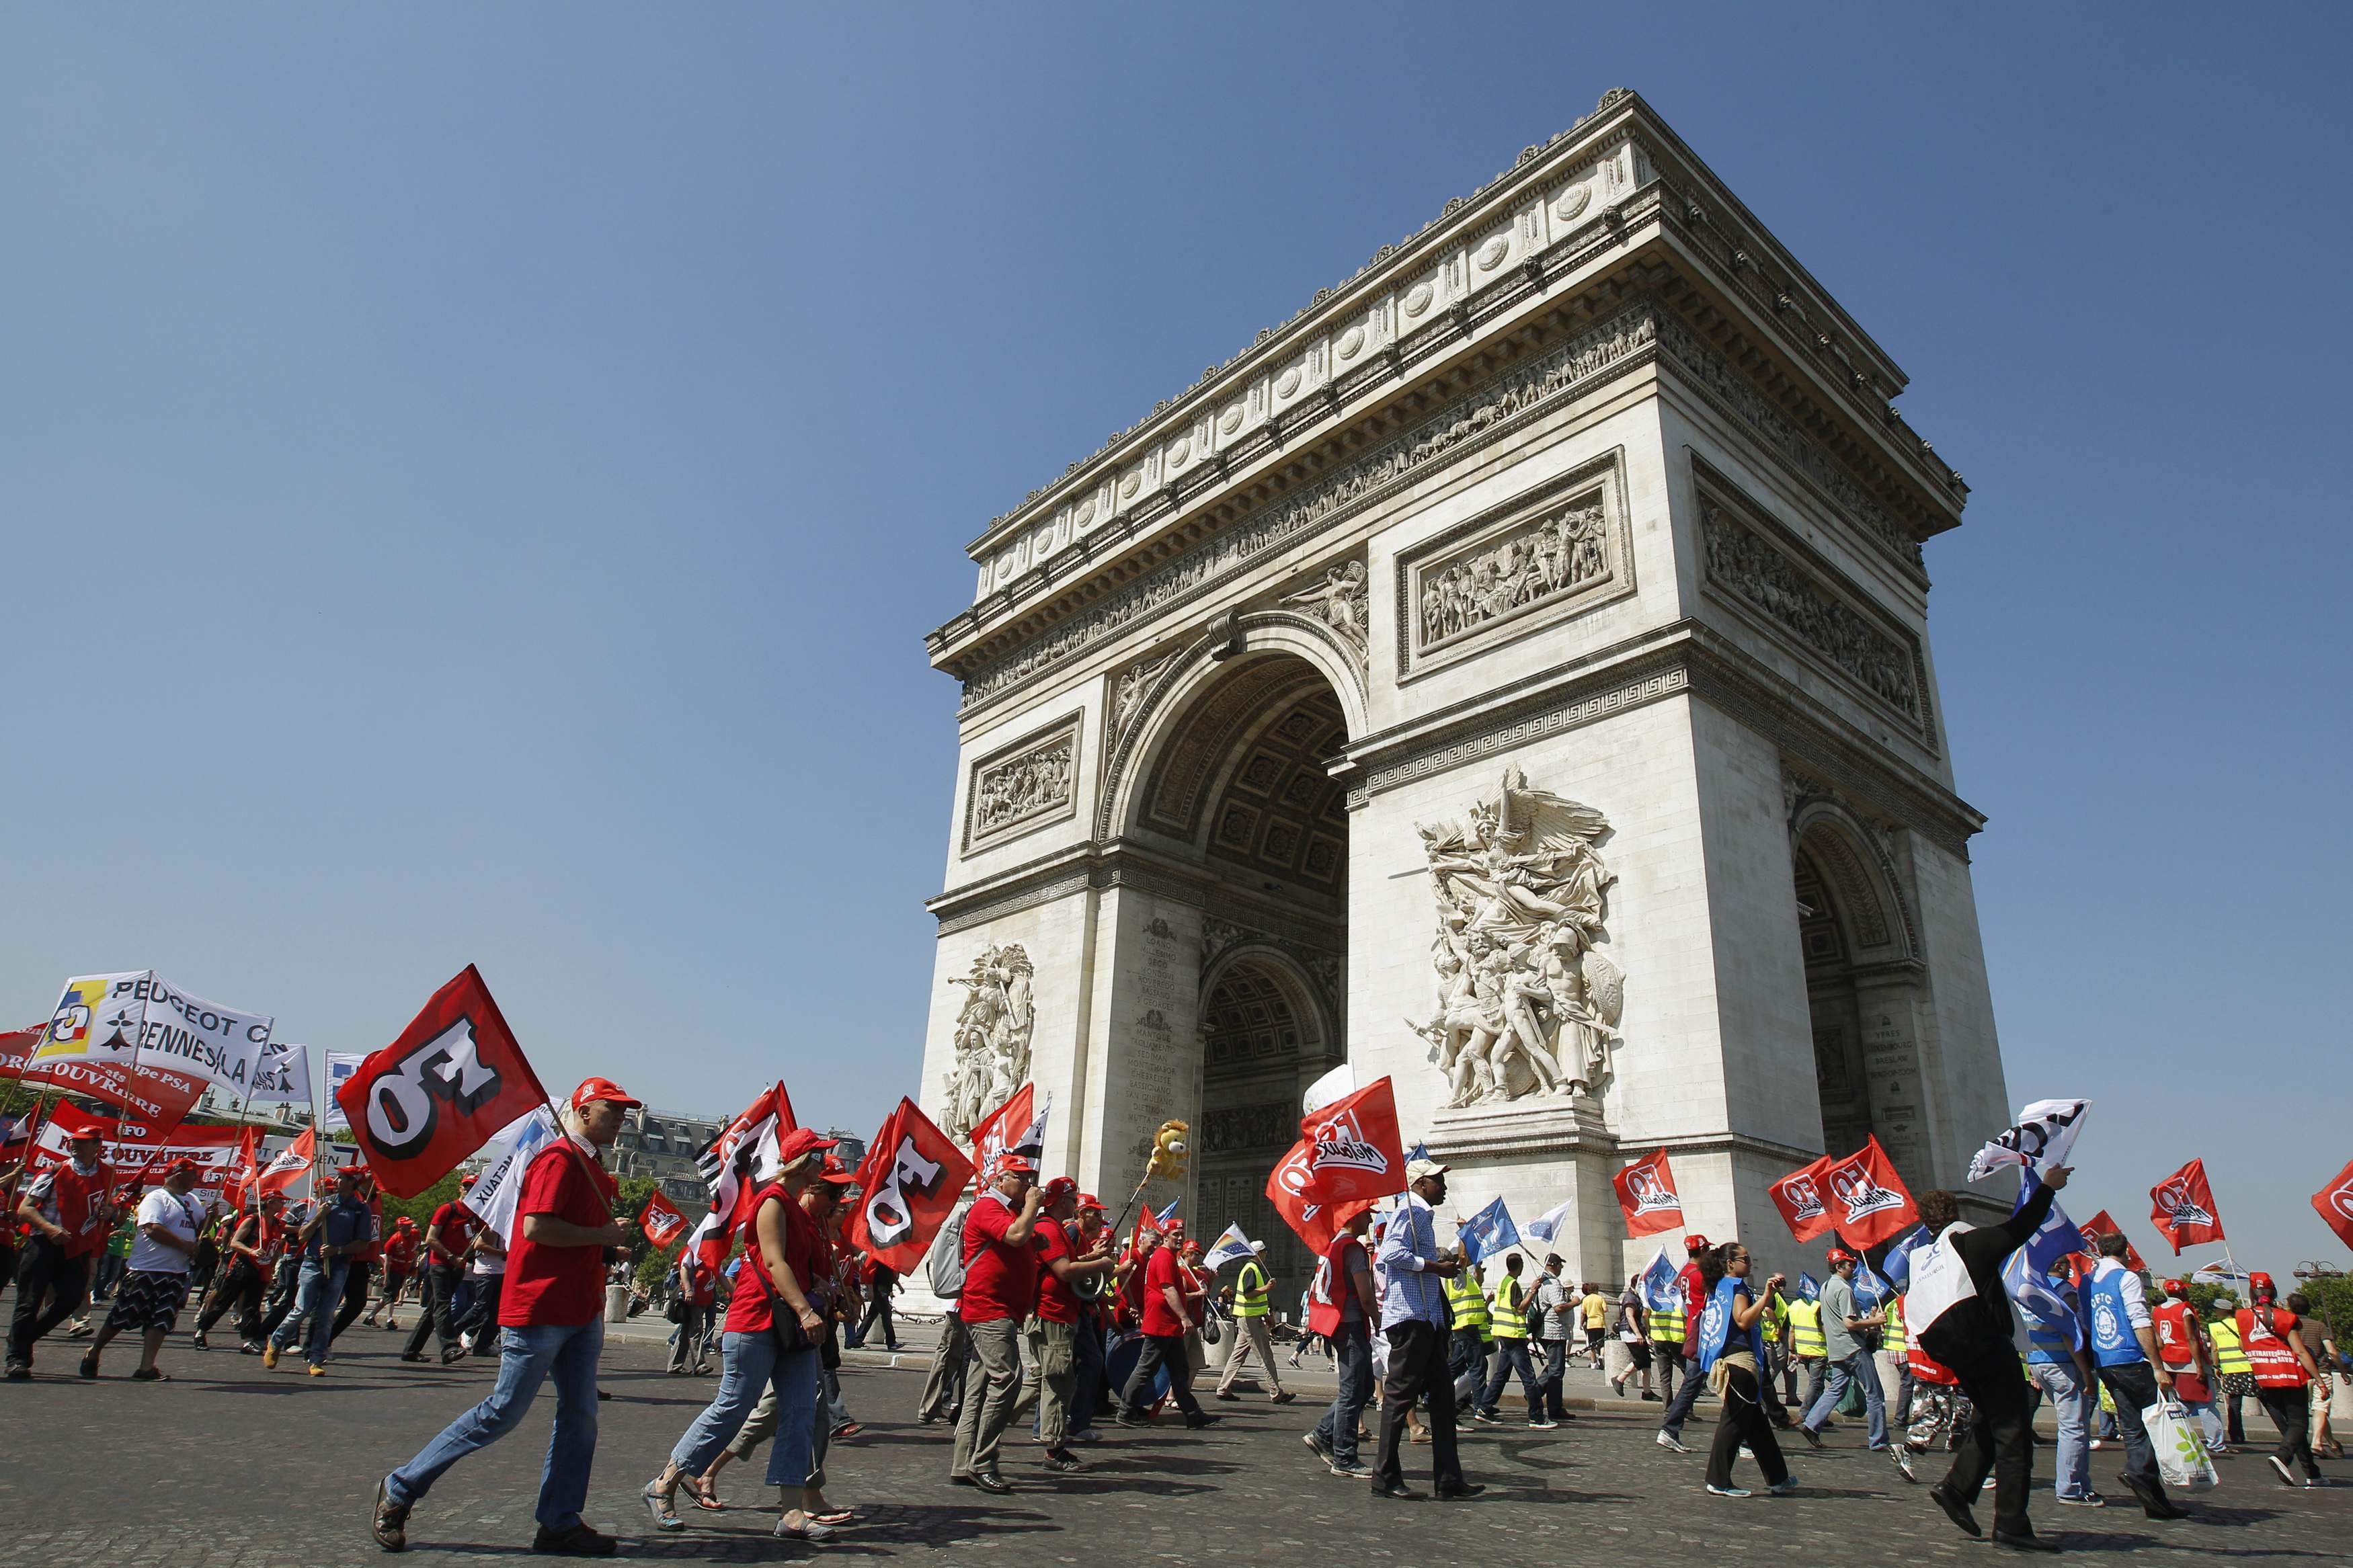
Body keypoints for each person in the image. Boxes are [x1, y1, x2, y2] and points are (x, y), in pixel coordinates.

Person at [372, 1077, 643, 1557]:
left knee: (581, 1417)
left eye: (624, 1110)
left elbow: (573, 1232)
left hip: (580, 1310)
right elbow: (535, 1227)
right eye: (612, 1108)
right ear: (582, 1111)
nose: (622, 1117)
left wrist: (603, 1238)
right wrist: (600, 1233)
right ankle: (401, 1487)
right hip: (540, 1309)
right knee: (501, 1412)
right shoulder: (559, 1158)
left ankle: (559, 1521)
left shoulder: (596, 1169)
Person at [1909, 1165, 2073, 1552]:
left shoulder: (1924, 1259)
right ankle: (2011, 1523)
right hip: (1986, 1342)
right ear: (1956, 1215)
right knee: (2014, 1431)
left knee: (1989, 1418)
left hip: (1953, 1350)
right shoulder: (1969, 1242)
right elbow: (2020, 1228)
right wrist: (2048, 1188)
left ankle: (1957, 1489)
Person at [1371, 1157, 1482, 1501]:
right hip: (1410, 1319)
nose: (1444, 1186)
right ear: (1420, 1184)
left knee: (1444, 1400)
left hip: (1429, 1321)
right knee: (1399, 1398)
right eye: (1438, 1180)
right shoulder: (1412, 1211)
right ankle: (1384, 1476)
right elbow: (1389, 1253)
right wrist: (1434, 1266)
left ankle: (1448, 1479)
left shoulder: (1421, 1215)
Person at [957, 1153, 1047, 1490]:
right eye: (1021, 1178)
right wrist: (1033, 1208)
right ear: (1000, 1180)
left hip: (1003, 1309)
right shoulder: (987, 1207)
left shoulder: (1007, 1209)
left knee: (978, 1390)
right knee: (1008, 1379)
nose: (1028, 1184)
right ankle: (982, 1462)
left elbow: (1017, 1241)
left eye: (1029, 1178)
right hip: (988, 1309)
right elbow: (1013, 1236)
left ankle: (963, 1461)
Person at [2079, 1231, 2184, 1520]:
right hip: (2130, 1358)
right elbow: (2139, 1320)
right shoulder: (2126, 1278)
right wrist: (2159, 1366)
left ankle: (2156, 1503)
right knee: (2156, 1420)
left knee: (2132, 1427)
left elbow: (2087, 1321)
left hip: (2104, 1360)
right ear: (2125, 1252)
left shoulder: (2087, 1282)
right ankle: (2138, 1472)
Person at [7, 1122, 118, 1379]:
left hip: (78, 1247)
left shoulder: (108, 1174)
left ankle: (23, 1338)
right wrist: (50, 1229)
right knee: (29, 1302)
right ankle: (17, 1358)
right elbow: (26, 1209)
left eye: (82, 1141)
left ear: (97, 1146)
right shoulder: (54, 1172)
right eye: (73, 1141)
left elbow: (109, 1207)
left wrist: (109, 1211)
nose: (75, 1145)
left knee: (70, 1299)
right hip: (44, 1244)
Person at [79, 1158, 206, 1381]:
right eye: (193, 1174)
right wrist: (184, 1245)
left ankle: (146, 1367)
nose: (197, 1178)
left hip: (176, 1271)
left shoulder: (194, 1201)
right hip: (147, 1268)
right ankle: (94, 1351)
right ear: (178, 1175)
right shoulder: (156, 1199)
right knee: (122, 1316)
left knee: (162, 1319)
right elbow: (151, 1228)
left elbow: (198, 1229)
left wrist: (204, 1233)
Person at [1694, 1242, 1795, 1497]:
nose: (1750, 1264)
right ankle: (1718, 1480)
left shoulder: (1718, 1287)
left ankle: (1778, 1478)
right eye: (1746, 1259)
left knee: (1757, 1426)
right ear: (1730, 1263)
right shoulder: (1737, 1286)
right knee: (1733, 1423)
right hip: (1740, 1363)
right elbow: (1742, 1320)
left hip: (1731, 1359)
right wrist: (1765, 1297)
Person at [1031, 1176, 1115, 1468]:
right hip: (1053, 1314)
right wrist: (1101, 1264)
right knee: (1057, 1382)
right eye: (1070, 1199)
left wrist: (1092, 1257)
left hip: (1062, 1312)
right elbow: (1064, 1270)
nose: (1074, 1203)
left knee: (1037, 1383)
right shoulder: (1051, 1229)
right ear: (1060, 1202)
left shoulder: (1057, 1229)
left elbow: (1071, 1262)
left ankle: (983, 1424)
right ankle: (1054, 1450)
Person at [264, 1165, 374, 1376]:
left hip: (340, 1265)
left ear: (352, 1182)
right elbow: (303, 1235)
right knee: (302, 1309)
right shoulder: (323, 1203)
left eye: (342, 1177)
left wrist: (337, 1250)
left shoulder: (361, 1209)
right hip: (312, 1263)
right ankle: (276, 1342)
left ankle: (316, 1358)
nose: (337, 1181)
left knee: (325, 1315)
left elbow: (363, 1243)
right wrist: (319, 1217)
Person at [2014, 1258, 2101, 1505]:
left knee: (2074, 1425)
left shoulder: (2027, 1288)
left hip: (2037, 1361)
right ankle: (2070, 1488)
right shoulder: (2063, 1290)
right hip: (2062, 1363)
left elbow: (2020, 1329)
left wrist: (2029, 1363)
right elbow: (2067, 1331)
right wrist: (2085, 1372)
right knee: (2074, 1427)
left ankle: (2082, 1484)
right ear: (2061, 1267)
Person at [1117, 1213, 1215, 1433]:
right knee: (1146, 1369)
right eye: (1175, 1235)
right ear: (1165, 1236)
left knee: (1179, 1370)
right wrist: (1184, 1317)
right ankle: (1125, 1411)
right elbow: (1168, 1289)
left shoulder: (1169, 1256)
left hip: (1169, 1326)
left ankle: (1193, 1414)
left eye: (1182, 1234)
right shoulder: (1163, 1257)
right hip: (1161, 1325)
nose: (1180, 1238)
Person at [1305, 1206, 1379, 1479]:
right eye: (1366, 1215)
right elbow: (1366, 1295)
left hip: (1336, 1323)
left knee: (1365, 1385)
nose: (1370, 1219)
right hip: (1350, 1325)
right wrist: (1379, 1319)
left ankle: (1323, 1434)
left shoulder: (1333, 1246)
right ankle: (1345, 1457)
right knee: (1352, 1389)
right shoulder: (1354, 1249)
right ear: (1353, 1217)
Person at [2239, 1273, 2326, 1487]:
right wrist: (2320, 1380)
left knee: (2290, 1429)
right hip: (2290, 1376)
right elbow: (2301, 1352)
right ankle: (2283, 1456)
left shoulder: (2241, 1316)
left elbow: (2243, 1346)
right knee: (2299, 1424)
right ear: (2274, 1292)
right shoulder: (2286, 1318)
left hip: (2263, 1378)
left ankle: (2312, 1472)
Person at [1798, 1247, 1888, 1450]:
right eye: (1850, 1265)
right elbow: (1849, 1323)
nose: (1854, 1269)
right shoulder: (1845, 1289)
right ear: (1839, 1267)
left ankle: (1811, 1424)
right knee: (1875, 1394)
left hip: (1836, 1349)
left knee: (1836, 1390)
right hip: (1853, 1348)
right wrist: (1874, 1320)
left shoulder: (1825, 1287)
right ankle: (1878, 1440)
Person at [192, 1191, 286, 1352]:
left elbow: (276, 1248)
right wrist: (251, 1251)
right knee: (223, 1303)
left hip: (261, 1271)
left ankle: (248, 1341)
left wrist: (271, 1269)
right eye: (279, 1201)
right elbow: (235, 1243)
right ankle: (201, 1332)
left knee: (253, 1307)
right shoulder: (253, 1220)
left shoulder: (277, 1224)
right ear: (270, 1202)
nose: (282, 1204)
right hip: (242, 1268)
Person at [401, 1175, 481, 1365]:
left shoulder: (475, 1215)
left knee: (434, 1309)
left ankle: (411, 1350)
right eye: (467, 1185)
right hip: (441, 1265)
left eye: (473, 1186)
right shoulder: (447, 1209)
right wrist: (451, 1257)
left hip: (458, 1267)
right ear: (460, 1188)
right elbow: (431, 1239)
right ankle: (449, 1347)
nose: (469, 1189)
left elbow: (478, 1237)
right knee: (443, 1304)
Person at [1214, 1239, 1291, 1404]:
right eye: (1264, 1251)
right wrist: (1267, 1288)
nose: (1266, 1254)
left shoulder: (1251, 1269)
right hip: (1250, 1320)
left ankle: (1223, 1388)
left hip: (1247, 1318)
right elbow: (1250, 1294)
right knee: (1265, 1356)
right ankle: (1276, 1392)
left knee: (1237, 1356)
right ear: (1259, 1253)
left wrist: (1267, 1313)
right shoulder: (1252, 1269)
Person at [2150, 1278, 2222, 1453]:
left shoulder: (2157, 1311)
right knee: (2206, 1404)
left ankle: (2167, 1431)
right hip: (2188, 1361)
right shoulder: (2185, 1310)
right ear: (2182, 1292)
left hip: (2169, 1361)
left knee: (2183, 1402)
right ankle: (2216, 1444)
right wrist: (2199, 1366)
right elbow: (2191, 1338)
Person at [1656, 1233, 1712, 1452]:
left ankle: (1670, 1429)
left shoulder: (1684, 1274)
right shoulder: (1700, 1276)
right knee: (1692, 1383)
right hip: (1705, 1333)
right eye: (1707, 1250)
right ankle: (1670, 1429)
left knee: (1693, 1382)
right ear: (1703, 1251)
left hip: (1692, 1330)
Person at [916, 1199, 971, 1423]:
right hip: (959, 1304)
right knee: (948, 1356)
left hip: (963, 1303)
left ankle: (938, 1405)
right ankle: (930, 1407)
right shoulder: (960, 1234)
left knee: (955, 1357)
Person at [1474, 1251, 1543, 1426]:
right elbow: (1520, 1309)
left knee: (1501, 1375)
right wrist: (1533, 1291)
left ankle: (1485, 1407)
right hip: (1514, 1335)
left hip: (1503, 1334)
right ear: (1520, 1267)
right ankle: (1537, 1417)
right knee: (1528, 1377)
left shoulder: (1504, 1283)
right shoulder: (1513, 1284)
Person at [2284, 1291, 2342, 1462]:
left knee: (2312, 1411)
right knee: (2320, 1409)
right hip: (2321, 1372)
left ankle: (2332, 1443)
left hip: (2298, 1373)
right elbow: (2331, 1351)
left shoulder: (2287, 1326)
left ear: (2290, 1308)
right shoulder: (2319, 1326)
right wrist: (2343, 1372)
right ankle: (2317, 1443)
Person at [1441, 1253, 1490, 1411]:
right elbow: (1463, 1257)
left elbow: (1480, 1281)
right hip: (1465, 1326)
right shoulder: (1457, 1276)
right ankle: (1481, 1406)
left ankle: (1431, 1396)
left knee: (1456, 1366)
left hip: (1468, 1326)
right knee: (1478, 1366)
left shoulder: (1467, 1276)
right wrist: (1466, 1232)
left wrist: (1476, 1264)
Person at [1529, 1254, 1572, 1428]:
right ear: (1553, 1265)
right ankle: (1554, 1407)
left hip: (1546, 1331)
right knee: (1556, 1371)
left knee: (1555, 1368)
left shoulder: (1541, 1281)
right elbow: (1559, 1307)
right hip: (1554, 1332)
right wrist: (1575, 1302)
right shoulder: (1553, 1283)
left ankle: (1536, 1392)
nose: (1562, 1268)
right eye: (1560, 1265)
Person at [2206, 1294, 2254, 1449]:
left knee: (2234, 1404)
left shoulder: (2215, 1327)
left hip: (2229, 1370)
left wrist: (2217, 1366)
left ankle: (2236, 1434)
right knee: (2267, 1401)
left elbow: (2214, 1349)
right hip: (2249, 1367)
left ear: (2221, 1311)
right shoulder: (2242, 1323)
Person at [668, 1247, 718, 1374]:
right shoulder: (693, 1250)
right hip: (693, 1297)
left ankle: (675, 1365)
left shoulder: (713, 1252)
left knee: (685, 1332)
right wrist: (689, 1289)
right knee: (696, 1330)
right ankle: (699, 1365)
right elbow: (684, 1269)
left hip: (704, 1298)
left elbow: (721, 1275)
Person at [369, 1216, 419, 1331]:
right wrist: (386, 1278)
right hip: (394, 1270)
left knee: (388, 1295)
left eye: (410, 1224)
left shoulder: (415, 1234)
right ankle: (389, 1319)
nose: (409, 1226)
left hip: (404, 1269)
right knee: (391, 1295)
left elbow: (414, 1251)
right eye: (406, 1225)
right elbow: (387, 1261)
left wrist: (414, 1266)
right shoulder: (394, 1241)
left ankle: (371, 1316)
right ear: (400, 1227)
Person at [1610, 1272, 1652, 1398]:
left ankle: (1647, 1392)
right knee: (1641, 1360)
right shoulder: (1630, 1298)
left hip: (1636, 1332)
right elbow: (1630, 1316)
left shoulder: (1637, 1297)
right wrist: (1638, 1334)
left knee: (1646, 1361)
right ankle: (1619, 1379)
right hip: (1630, 1332)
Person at [846, 1254, 898, 1351]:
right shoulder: (876, 1256)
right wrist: (870, 1290)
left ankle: (858, 1338)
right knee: (886, 1316)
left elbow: (891, 1274)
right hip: (879, 1291)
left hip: (884, 1290)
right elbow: (867, 1273)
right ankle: (891, 1343)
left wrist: (898, 1286)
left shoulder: (888, 1257)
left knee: (870, 1316)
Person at [1580, 1280, 1611, 1370]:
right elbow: (1605, 1310)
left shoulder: (1586, 1299)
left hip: (1591, 1324)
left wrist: (1581, 1324)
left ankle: (1593, 1363)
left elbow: (1583, 1313)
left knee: (1591, 1345)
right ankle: (1601, 1357)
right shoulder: (1600, 1298)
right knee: (1602, 1343)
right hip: (1600, 1323)